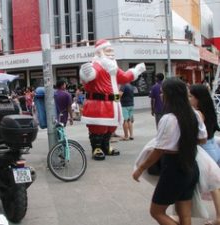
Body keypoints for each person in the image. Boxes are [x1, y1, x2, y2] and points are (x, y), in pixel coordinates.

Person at [133, 77, 205, 225]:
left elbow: (158, 150)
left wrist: (140, 168)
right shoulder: (195, 115)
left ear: (170, 95)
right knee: (184, 214)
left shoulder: (168, 119)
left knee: (157, 212)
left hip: (174, 169)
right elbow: (202, 139)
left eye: (162, 92)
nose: (161, 95)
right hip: (191, 166)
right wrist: (185, 140)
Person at [79, 39, 145, 160]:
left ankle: (106, 146)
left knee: (110, 128)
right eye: (107, 50)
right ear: (99, 52)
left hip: (112, 104)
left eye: (111, 50)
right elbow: (88, 77)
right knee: (98, 127)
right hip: (98, 104)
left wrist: (136, 70)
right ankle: (97, 148)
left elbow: (124, 77)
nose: (111, 53)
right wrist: (85, 74)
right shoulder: (96, 66)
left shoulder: (112, 67)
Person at [189, 84, 220, 225]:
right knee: (215, 186)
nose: (189, 99)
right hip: (213, 148)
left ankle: (219, 217)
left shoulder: (199, 113)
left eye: (191, 96)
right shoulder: (209, 110)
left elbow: (199, 137)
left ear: (198, 99)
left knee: (214, 187)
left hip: (206, 151)